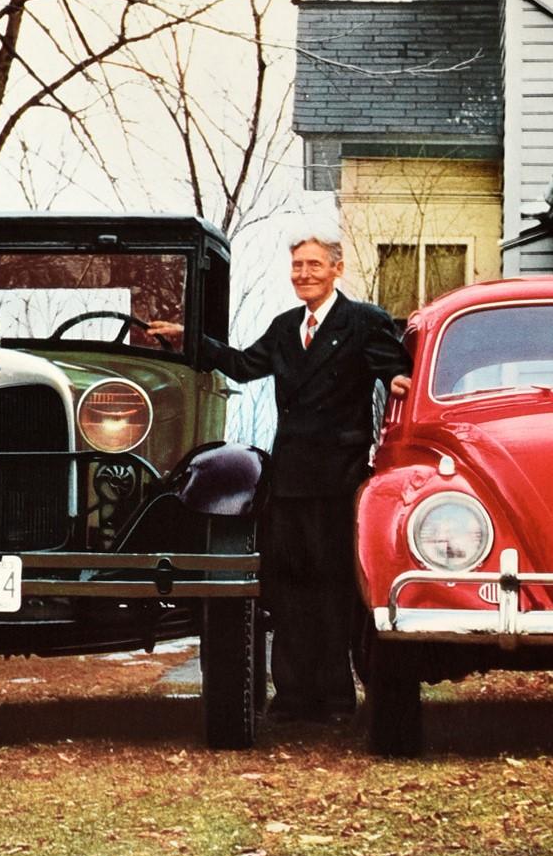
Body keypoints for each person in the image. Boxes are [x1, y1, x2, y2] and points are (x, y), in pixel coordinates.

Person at [149, 229, 411, 724]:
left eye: (314, 265)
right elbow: (245, 366)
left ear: (337, 269)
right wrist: (190, 341)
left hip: (339, 478)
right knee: (289, 587)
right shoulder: (286, 326)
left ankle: (335, 698)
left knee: (334, 588)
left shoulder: (363, 322)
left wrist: (401, 377)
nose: (304, 275)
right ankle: (291, 697)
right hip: (289, 476)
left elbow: (395, 371)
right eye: (297, 266)